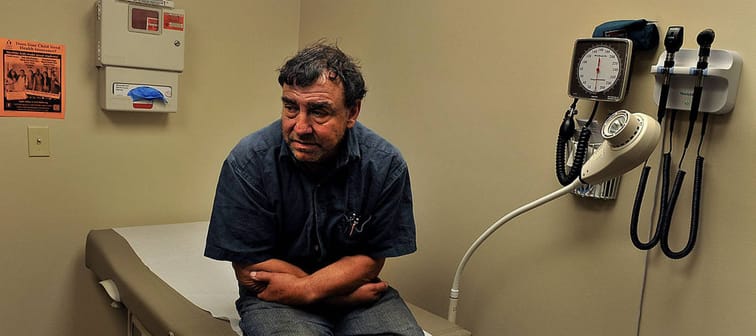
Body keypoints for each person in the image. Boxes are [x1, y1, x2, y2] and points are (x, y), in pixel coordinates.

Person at [204, 42, 424, 336]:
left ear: (352, 112)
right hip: (284, 300)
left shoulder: (384, 165)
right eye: (291, 107)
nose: (301, 126)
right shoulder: (248, 163)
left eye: (319, 111)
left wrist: (305, 290)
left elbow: (371, 259)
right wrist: (338, 294)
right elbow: (250, 270)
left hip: (353, 298)